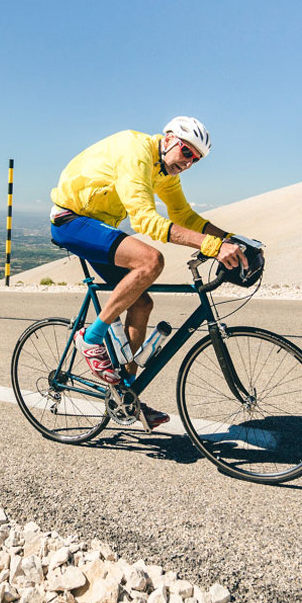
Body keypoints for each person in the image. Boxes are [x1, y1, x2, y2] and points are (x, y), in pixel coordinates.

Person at [48, 116, 247, 429]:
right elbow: (144, 221)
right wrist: (212, 246)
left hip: (99, 226)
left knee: (141, 304)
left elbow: (183, 215)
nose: (189, 162)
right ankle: (91, 338)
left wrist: (231, 240)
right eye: (187, 152)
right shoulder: (136, 151)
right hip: (70, 221)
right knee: (151, 261)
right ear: (168, 139)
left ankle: (125, 395)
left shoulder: (164, 171)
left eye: (196, 159)